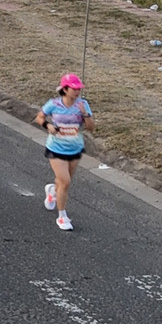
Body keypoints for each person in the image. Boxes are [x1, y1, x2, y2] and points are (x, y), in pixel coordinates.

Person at [35, 73, 93, 231]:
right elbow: (39, 117)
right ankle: (62, 216)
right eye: (74, 89)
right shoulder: (53, 104)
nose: (77, 92)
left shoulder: (83, 104)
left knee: (63, 182)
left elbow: (90, 127)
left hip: (75, 148)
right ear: (65, 89)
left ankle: (52, 191)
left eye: (79, 89)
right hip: (56, 148)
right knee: (65, 182)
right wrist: (48, 126)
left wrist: (85, 114)